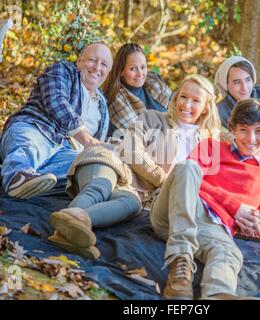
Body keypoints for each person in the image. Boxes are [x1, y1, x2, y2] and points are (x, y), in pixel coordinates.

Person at [48, 74, 226, 259]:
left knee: (131, 206)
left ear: (206, 107)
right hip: (112, 160)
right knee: (99, 188)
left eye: (196, 100)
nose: (187, 105)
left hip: (136, 191)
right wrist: (163, 180)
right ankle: (69, 229)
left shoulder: (208, 143)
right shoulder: (153, 117)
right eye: (183, 96)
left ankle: (69, 232)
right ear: (176, 97)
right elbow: (131, 150)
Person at [150, 98, 260, 300]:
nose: (250, 138)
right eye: (243, 129)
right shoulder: (211, 147)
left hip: (213, 226)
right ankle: (180, 265)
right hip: (175, 209)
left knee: (229, 252)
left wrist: (250, 221)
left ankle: (218, 294)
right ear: (232, 129)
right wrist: (235, 206)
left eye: (258, 131)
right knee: (188, 168)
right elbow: (187, 179)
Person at [0, 42, 113, 199]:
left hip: (64, 154)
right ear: (79, 61)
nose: (97, 67)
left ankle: (34, 181)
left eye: (104, 64)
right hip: (39, 129)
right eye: (93, 60)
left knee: (88, 164)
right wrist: (87, 138)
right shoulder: (63, 70)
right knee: (29, 144)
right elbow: (55, 101)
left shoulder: (102, 106)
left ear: (108, 71)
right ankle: (17, 175)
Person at [104, 43, 172, 135]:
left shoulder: (155, 83)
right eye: (133, 69)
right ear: (121, 72)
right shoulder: (117, 103)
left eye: (143, 67)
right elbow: (138, 138)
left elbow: (176, 110)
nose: (140, 74)